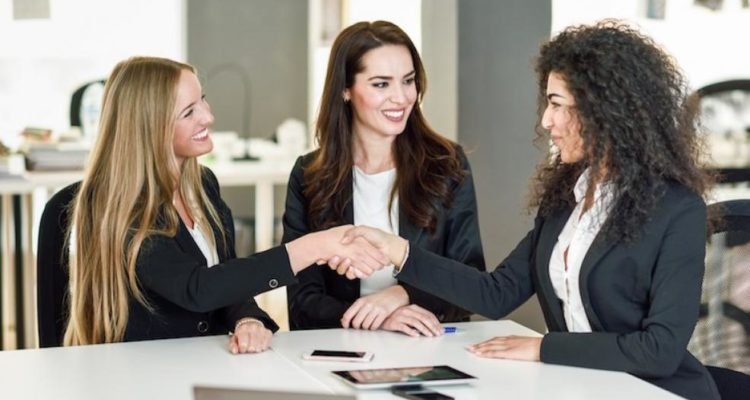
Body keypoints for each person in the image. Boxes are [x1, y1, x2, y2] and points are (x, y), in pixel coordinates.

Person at [340, 21, 720, 399]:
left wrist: (543, 348)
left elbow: (659, 351)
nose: (546, 121)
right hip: (583, 388)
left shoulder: (678, 210)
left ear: (603, 111)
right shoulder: (567, 200)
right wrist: (399, 252)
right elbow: (496, 293)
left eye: (557, 104)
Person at [57, 56, 387, 353]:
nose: (209, 116)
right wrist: (313, 247)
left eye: (202, 100)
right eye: (189, 112)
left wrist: (247, 318)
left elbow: (227, 278)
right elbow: (198, 287)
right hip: (146, 373)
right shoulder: (123, 208)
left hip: (207, 364)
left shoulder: (202, 186)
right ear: (150, 128)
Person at [283, 20, 486, 336]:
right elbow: (301, 302)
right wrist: (375, 317)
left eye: (408, 81)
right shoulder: (309, 176)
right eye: (381, 84)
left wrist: (401, 295)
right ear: (345, 90)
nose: (401, 98)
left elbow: (471, 282)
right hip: (345, 346)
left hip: (430, 345)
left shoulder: (446, 165)